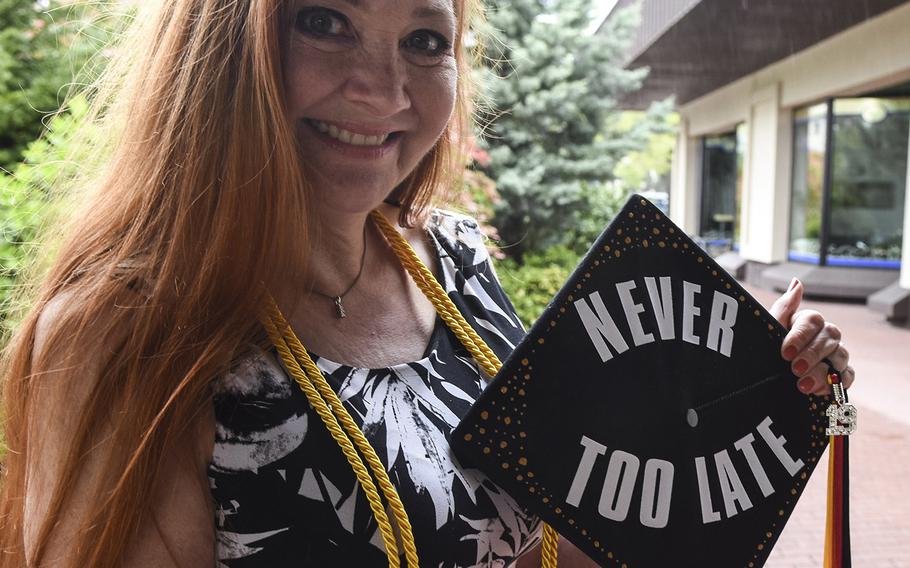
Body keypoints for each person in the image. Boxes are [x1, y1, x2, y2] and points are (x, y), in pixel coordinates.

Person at [0, 0, 854, 566]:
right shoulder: (127, 332)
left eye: (424, 40)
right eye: (327, 20)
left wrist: (730, 397)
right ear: (220, 46)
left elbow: (520, 549)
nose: (382, 88)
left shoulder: (454, 264)